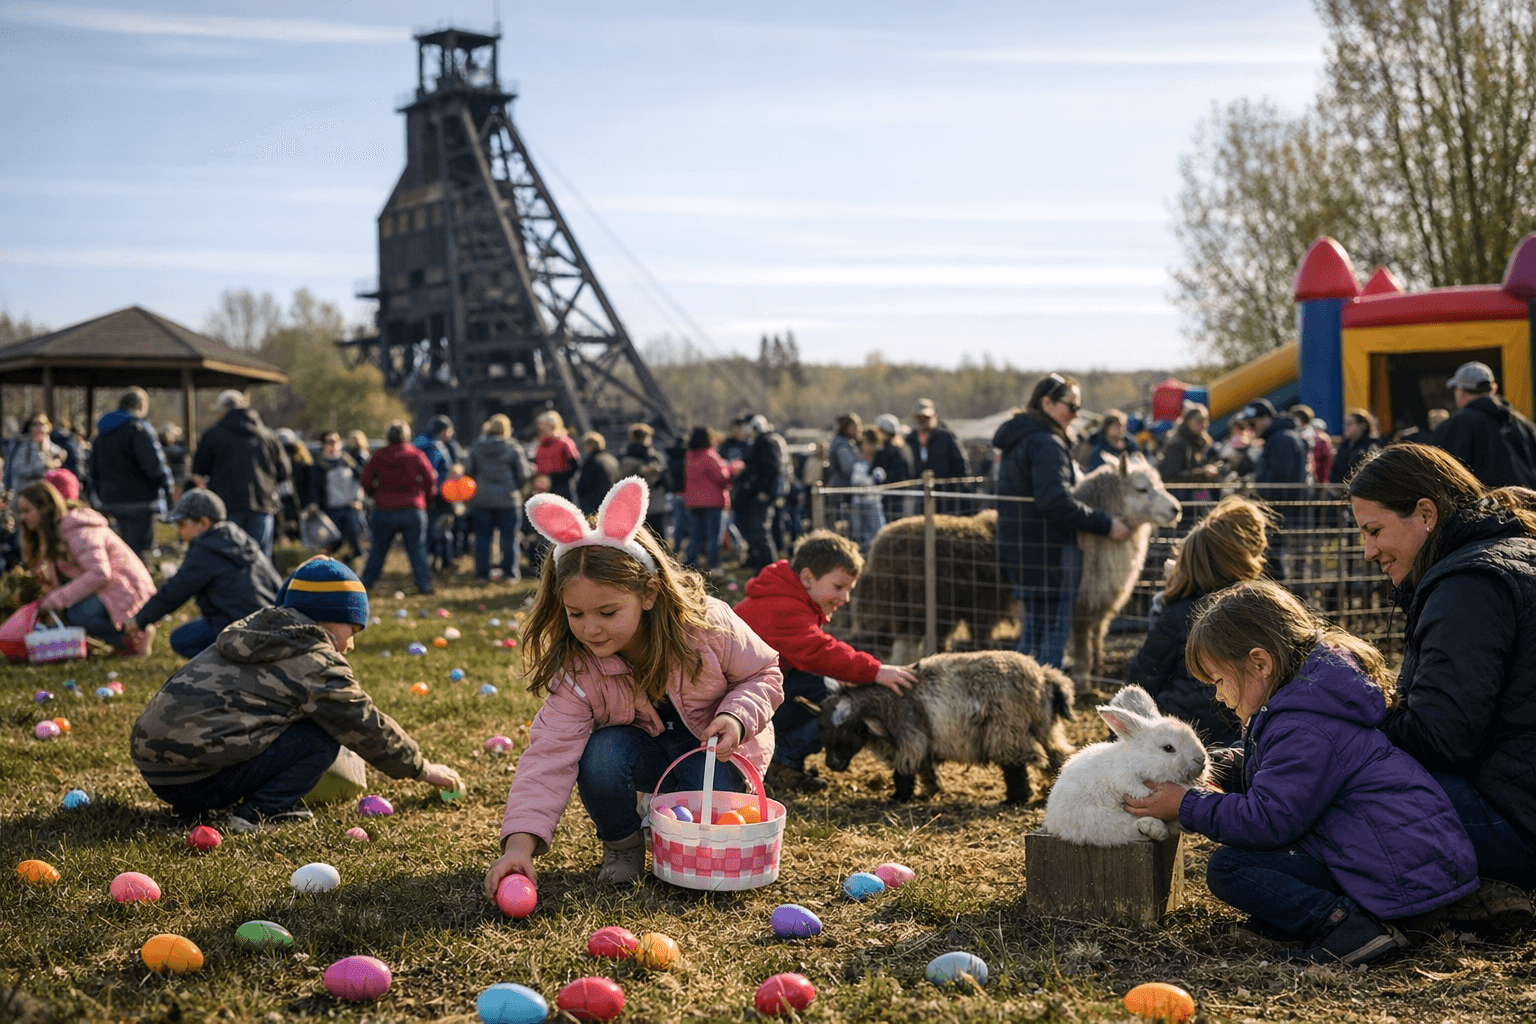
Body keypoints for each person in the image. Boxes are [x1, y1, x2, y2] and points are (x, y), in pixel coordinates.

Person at [1125, 579, 1479, 965]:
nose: (1218, 696)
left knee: (1230, 867)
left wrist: (1186, 804)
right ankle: (1321, 919)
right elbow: (1277, 771)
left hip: (1396, 884)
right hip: (1397, 868)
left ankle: (1350, 928)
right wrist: (1221, 766)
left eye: (1219, 681)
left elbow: (1267, 820)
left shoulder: (1303, 725)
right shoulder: (1306, 702)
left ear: (1260, 664)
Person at [482, 477, 783, 889]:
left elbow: (764, 673)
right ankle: (623, 844)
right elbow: (548, 754)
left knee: (706, 802)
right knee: (601, 754)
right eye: (576, 614)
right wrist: (518, 846)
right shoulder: (580, 667)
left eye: (607, 613)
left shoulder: (707, 625)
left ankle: (675, 833)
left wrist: (736, 718)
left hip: (716, 752)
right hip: (648, 755)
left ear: (649, 593)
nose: (590, 629)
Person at [129, 557, 462, 831]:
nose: (350, 645)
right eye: (352, 629)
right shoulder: (314, 659)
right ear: (331, 618)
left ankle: (200, 807)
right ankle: (264, 812)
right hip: (200, 778)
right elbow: (363, 723)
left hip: (157, 773)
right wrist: (421, 768)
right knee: (323, 734)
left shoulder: (256, 631)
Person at [1347, 443, 1536, 908]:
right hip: (1520, 797)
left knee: (1346, 792)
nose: (1368, 551)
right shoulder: (1515, 554)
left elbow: (1443, 737)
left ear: (1426, 514)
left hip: (1516, 820)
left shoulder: (1468, 585)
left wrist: (1357, 712)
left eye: (1374, 531)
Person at [733, 530, 915, 795]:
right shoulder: (783, 607)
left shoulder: (785, 595)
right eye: (839, 587)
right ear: (808, 578)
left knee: (824, 685)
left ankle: (779, 754)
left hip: (745, 694)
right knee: (832, 698)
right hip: (736, 702)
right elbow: (819, 651)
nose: (846, 598)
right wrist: (875, 671)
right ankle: (782, 761)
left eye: (849, 590)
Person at [994, 374, 1130, 670]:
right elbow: (1055, 501)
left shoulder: (1021, 438)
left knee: (1033, 632)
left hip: (1022, 548)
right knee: (1051, 637)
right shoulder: (1047, 443)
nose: (1076, 414)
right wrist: (1105, 523)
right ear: (1047, 403)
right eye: (1072, 406)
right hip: (1049, 552)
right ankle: (1044, 694)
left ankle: (1022, 691)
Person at [1124, 496, 1271, 746]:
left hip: (1185, 736)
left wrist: (1117, 740)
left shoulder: (1175, 614)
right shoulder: (1255, 608)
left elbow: (1144, 677)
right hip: (1243, 735)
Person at [124, 489, 281, 658]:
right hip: (271, 623)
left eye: (182, 525)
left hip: (242, 627)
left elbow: (174, 591)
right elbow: (275, 581)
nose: (178, 532)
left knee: (181, 639)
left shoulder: (206, 550)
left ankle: (232, 665)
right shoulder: (238, 539)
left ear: (203, 523)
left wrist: (140, 621)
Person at [14, 480, 156, 654]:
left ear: (44, 508)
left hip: (125, 588)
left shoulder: (78, 530)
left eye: (27, 511)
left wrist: (57, 599)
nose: (23, 517)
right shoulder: (52, 534)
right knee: (67, 616)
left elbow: (100, 573)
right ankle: (124, 639)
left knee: (77, 614)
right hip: (108, 588)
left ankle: (134, 636)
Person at [191, 390, 290, 559]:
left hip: (226, 505)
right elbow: (284, 471)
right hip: (263, 503)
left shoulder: (213, 435)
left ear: (222, 411)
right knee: (260, 557)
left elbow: (199, 471)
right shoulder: (267, 435)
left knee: (229, 556)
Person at [358, 420, 436, 596]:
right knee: (417, 550)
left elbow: (366, 480)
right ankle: (424, 585)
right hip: (412, 508)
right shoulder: (415, 454)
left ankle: (367, 583)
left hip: (384, 508)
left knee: (378, 549)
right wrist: (428, 497)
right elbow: (430, 478)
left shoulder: (379, 455)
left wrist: (373, 493)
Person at [1234, 398, 1308, 580]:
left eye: (1253, 424)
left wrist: (1256, 488)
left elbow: (1278, 479)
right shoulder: (1280, 437)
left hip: (1281, 513)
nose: (1251, 429)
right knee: (1276, 560)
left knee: (1277, 562)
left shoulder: (1282, 439)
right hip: (1281, 512)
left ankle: (1282, 593)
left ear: (1266, 418)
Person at [1432, 361, 1536, 488]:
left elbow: (1439, 467)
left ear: (1461, 392)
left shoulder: (1457, 423)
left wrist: (1434, 430)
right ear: (1494, 388)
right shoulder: (1522, 423)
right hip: (1525, 498)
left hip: (1485, 499)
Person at [463, 413, 529, 582]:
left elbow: (468, 471)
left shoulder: (476, 446)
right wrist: (516, 489)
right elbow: (524, 474)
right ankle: (510, 573)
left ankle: (482, 574)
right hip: (508, 498)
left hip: (482, 499)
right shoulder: (513, 447)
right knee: (510, 538)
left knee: (482, 538)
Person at [733, 414, 786, 572]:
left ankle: (768, 565)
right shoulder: (760, 443)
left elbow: (772, 468)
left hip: (761, 495)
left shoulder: (766, 443)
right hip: (755, 493)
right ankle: (759, 562)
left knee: (760, 529)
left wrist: (764, 490)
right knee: (754, 529)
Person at [414, 415, 463, 572]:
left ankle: (426, 560)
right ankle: (444, 560)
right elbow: (434, 473)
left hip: (419, 494)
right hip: (439, 494)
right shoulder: (436, 447)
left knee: (425, 528)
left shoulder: (418, 444)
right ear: (443, 431)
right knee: (442, 527)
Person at [309, 431, 364, 568]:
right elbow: (314, 487)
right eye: (329, 442)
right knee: (333, 544)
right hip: (330, 510)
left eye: (336, 441)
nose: (333, 445)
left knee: (355, 543)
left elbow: (359, 482)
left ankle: (350, 567)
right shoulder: (319, 465)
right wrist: (314, 504)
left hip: (350, 509)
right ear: (324, 445)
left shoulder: (348, 461)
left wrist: (359, 500)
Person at [907, 398, 970, 514]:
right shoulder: (910, 439)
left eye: (926, 417)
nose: (923, 421)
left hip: (945, 493)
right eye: (920, 418)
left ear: (934, 416)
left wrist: (959, 486)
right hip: (920, 493)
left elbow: (960, 462)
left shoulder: (946, 436)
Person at [684, 425, 732, 572]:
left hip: (694, 503)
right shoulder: (710, 456)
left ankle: (690, 563)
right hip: (713, 502)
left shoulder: (689, 457)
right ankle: (714, 565)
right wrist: (732, 469)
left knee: (695, 536)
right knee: (714, 537)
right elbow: (722, 478)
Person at [619, 423, 668, 542]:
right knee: (655, 538)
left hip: (639, 502)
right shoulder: (653, 457)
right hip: (649, 502)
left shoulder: (625, 456)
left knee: (639, 538)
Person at [1157, 403, 1222, 488]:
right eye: (1199, 420)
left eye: (1206, 420)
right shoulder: (1177, 443)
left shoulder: (1199, 442)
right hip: (1181, 492)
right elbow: (1171, 476)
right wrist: (1202, 473)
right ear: (1188, 421)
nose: (1204, 424)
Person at [871, 413, 914, 522]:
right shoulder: (904, 448)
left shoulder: (887, 452)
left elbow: (876, 473)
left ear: (883, 432)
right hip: (902, 497)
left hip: (890, 499)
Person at [848, 426, 885, 549]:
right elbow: (856, 480)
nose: (867, 447)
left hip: (874, 502)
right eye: (864, 443)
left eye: (870, 443)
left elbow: (880, 478)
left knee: (877, 533)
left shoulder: (879, 459)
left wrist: (874, 479)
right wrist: (872, 480)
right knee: (859, 535)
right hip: (859, 502)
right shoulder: (858, 461)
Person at [9, 412, 64, 494]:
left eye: (42, 424)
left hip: (46, 493)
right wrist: (44, 467)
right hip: (25, 493)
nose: (39, 428)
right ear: (30, 427)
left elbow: (61, 457)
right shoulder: (23, 445)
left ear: (48, 426)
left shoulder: (52, 446)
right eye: (35, 424)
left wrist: (49, 454)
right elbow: (18, 468)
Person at [533, 410, 581, 503]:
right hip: (545, 488)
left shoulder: (565, 442)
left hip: (563, 487)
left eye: (544, 427)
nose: (541, 429)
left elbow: (575, 466)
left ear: (553, 426)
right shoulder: (540, 446)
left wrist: (555, 479)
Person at [1330, 408, 1383, 484]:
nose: (1346, 427)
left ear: (1363, 425)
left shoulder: (1372, 445)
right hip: (1341, 487)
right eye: (1344, 423)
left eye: (1349, 423)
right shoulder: (1345, 445)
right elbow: (1336, 469)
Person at [575, 431, 622, 515]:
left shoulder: (592, 462)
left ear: (589, 446)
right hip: (612, 502)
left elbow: (584, 485)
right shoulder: (612, 459)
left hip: (596, 505)